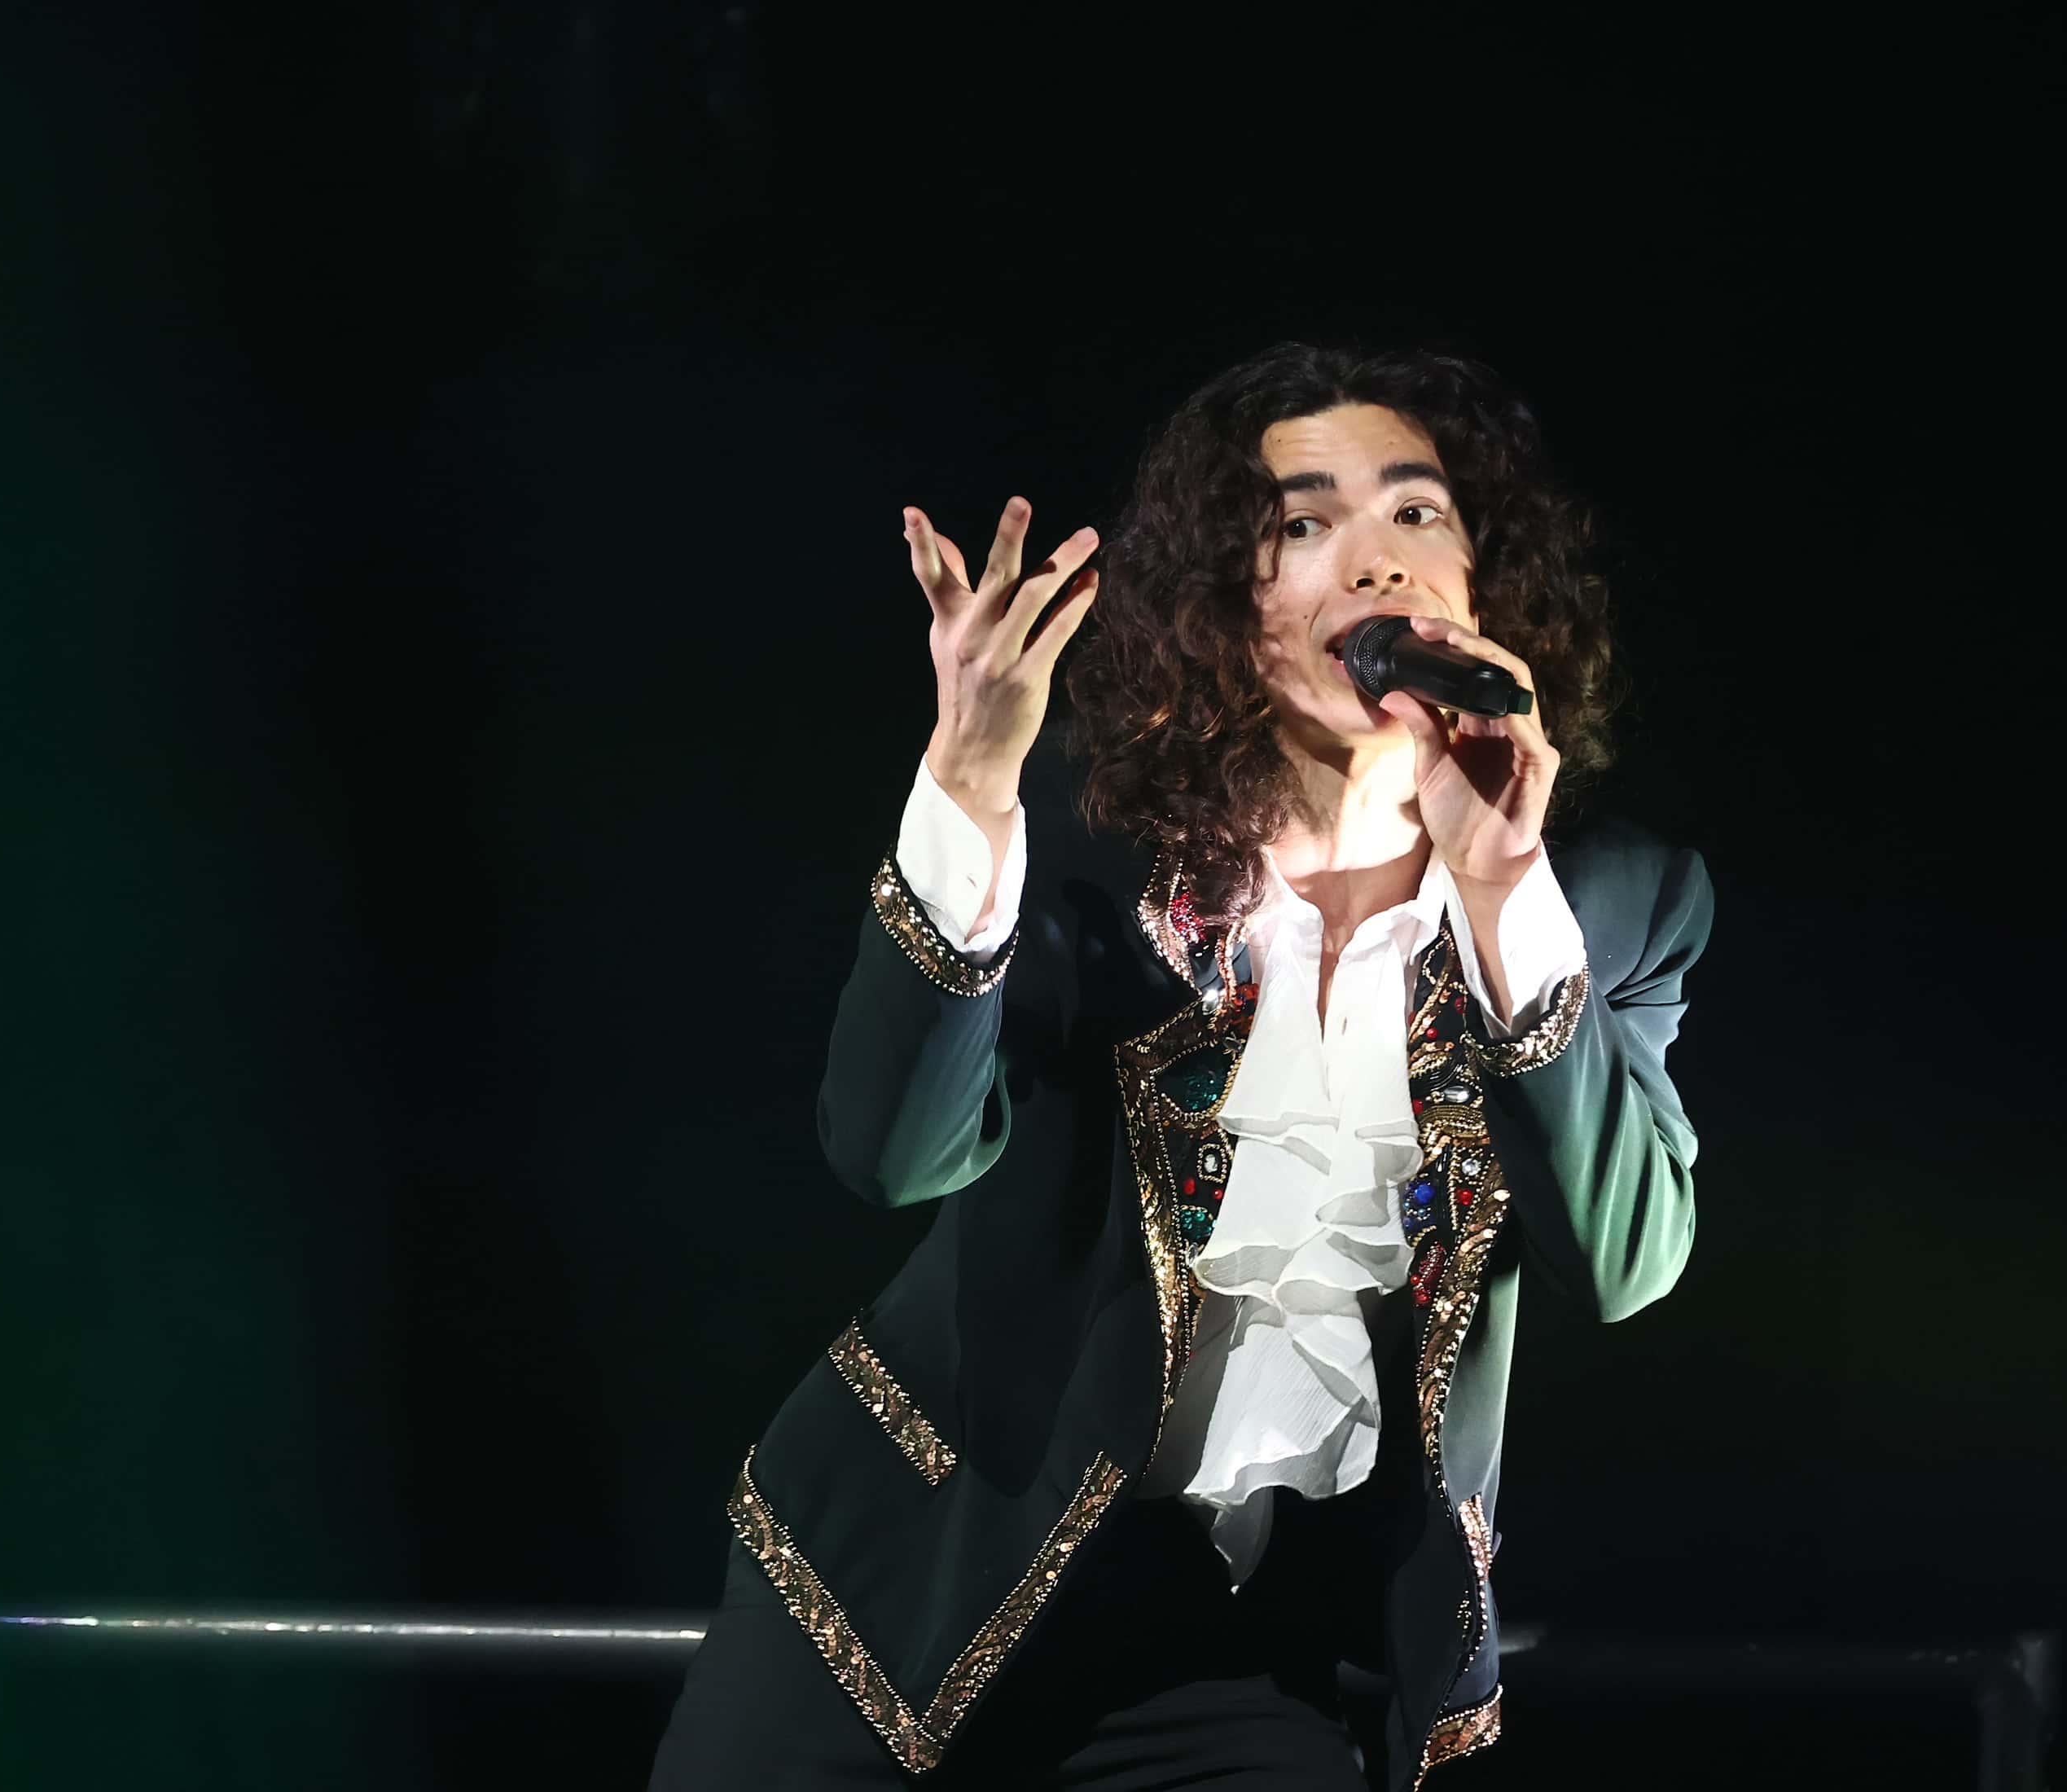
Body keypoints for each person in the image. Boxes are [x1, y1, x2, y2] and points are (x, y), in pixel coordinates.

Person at [648, 341, 1712, 1790]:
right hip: (915, 1582)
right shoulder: (1101, 865)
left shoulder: (1612, 896)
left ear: (1486, 585)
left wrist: (1503, 884)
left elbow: (1627, 1258)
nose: (1379, 564)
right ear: (1234, 603)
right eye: (1304, 523)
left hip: (1252, 1649)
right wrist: (969, 785)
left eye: (1420, 514)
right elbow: (892, 1151)